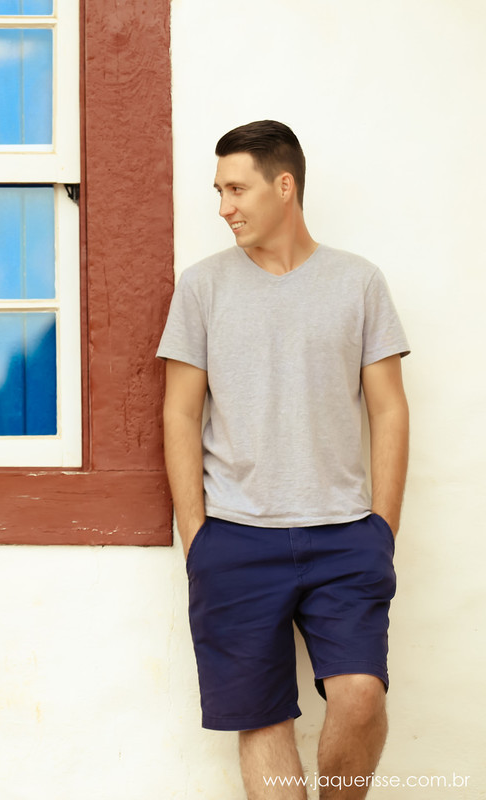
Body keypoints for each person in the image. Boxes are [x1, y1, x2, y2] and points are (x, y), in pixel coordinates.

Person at [158, 121, 410, 800]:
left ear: (284, 185)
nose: (223, 206)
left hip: (344, 535)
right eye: (218, 190)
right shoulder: (202, 286)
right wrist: (196, 537)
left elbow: (388, 408)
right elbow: (180, 411)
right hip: (234, 539)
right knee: (263, 720)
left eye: (235, 188)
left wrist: (381, 530)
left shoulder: (358, 283)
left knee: (359, 695)